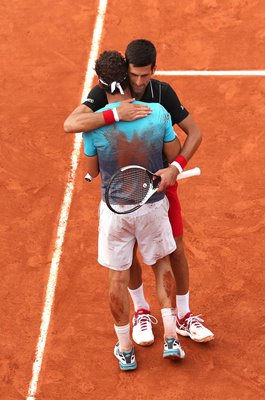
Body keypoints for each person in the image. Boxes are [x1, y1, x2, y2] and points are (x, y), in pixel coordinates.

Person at [64, 39, 214, 345]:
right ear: (125, 72)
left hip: (161, 185)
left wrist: (176, 168)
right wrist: (115, 114)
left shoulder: (163, 94)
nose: (140, 81)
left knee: (176, 249)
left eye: (146, 75)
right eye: (135, 75)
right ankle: (141, 310)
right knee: (128, 253)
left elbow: (195, 133)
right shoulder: (108, 92)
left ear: (154, 70)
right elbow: (72, 123)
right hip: (126, 187)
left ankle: (183, 316)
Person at [83, 50, 185, 370]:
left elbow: (93, 170)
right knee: (162, 264)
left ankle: (125, 348)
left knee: (117, 277)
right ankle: (171, 337)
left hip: (115, 212)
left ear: (101, 83)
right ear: (128, 77)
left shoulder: (94, 127)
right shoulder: (157, 113)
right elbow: (174, 154)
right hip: (153, 204)